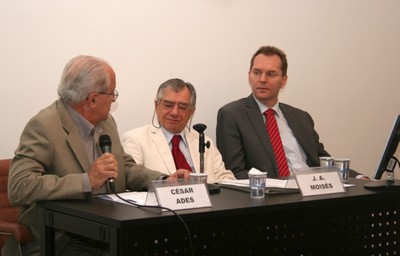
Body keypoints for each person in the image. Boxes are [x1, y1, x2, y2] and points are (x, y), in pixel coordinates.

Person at [3, 56, 189, 256]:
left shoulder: (106, 121)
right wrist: (86, 181)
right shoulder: (44, 126)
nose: (114, 99)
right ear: (92, 99)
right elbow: (19, 186)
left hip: (107, 230)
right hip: (63, 238)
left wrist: (162, 180)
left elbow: (124, 167)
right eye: (112, 93)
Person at [216, 45, 366, 179]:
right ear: (249, 75)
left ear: (284, 80)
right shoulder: (232, 115)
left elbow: (322, 160)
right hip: (273, 198)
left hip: (313, 192)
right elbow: (235, 173)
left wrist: (358, 178)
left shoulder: (301, 117)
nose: (262, 79)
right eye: (257, 72)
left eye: (271, 74)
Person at [122, 78, 235, 183]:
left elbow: (226, 179)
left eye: (182, 107)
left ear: (192, 111)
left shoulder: (203, 141)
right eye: (168, 105)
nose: (174, 113)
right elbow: (133, 183)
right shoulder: (135, 139)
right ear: (156, 105)